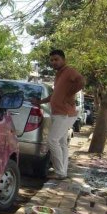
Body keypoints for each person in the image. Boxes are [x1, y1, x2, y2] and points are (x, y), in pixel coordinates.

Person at [31, 49, 85, 180]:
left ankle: (60, 172)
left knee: (52, 140)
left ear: (63, 60)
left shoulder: (69, 71)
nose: (54, 62)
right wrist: (40, 101)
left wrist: (70, 93)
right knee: (61, 143)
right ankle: (63, 171)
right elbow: (54, 95)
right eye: (52, 60)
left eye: (56, 59)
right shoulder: (59, 75)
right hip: (58, 113)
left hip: (65, 113)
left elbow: (81, 81)